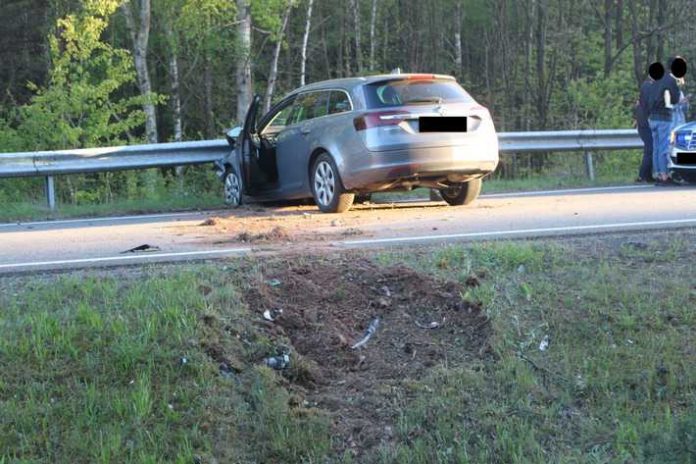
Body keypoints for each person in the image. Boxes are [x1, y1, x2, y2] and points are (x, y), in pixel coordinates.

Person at [647, 61, 680, 185]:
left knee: (656, 147)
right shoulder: (670, 80)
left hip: (652, 118)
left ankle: (658, 175)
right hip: (663, 117)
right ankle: (665, 176)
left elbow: (649, 98)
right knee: (663, 148)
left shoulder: (656, 78)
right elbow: (675, 98)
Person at [634, 70, 655, 182]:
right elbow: (647, 104)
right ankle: (642, 175)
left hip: (643, 121)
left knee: (650, 149)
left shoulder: (646, 86)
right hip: (645, 122)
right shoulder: (648, 87)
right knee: (650, 149)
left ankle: (647, 176)